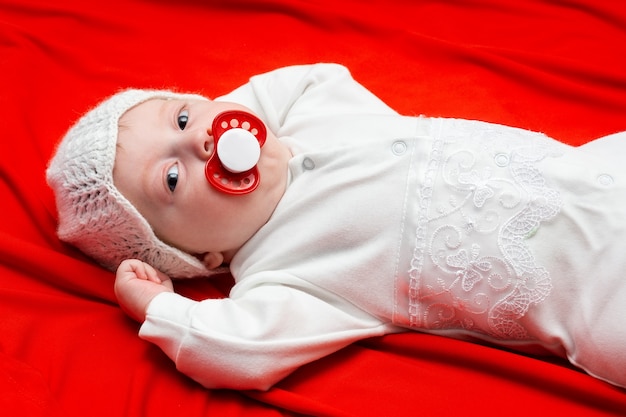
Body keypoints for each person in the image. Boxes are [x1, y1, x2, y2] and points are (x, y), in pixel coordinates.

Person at [47, 63, 626, 391]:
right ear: (198, 257)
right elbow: (234, 349)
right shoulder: (286, 275)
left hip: (596, 170)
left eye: (182, 116)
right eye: (172, 179)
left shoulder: (311, 116)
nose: (200, 140)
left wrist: (222, 115)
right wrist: (156, 307)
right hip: (596, 300)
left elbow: (304, 78)